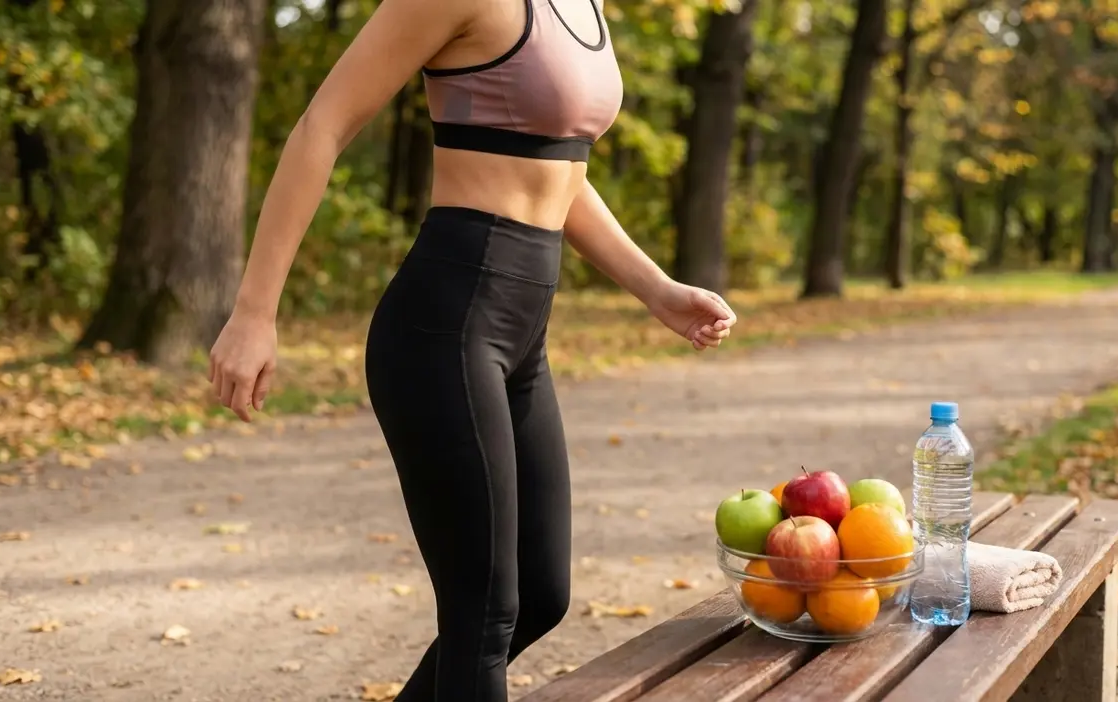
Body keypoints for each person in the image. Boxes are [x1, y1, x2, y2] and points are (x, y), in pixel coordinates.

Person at [207, 0, 738, 698]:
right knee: (481, 615)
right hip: (445, 325)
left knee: (539, 597)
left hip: (522, 334)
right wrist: (254, 311)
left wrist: (655, 288)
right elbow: (322, 126)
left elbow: (558, 170)